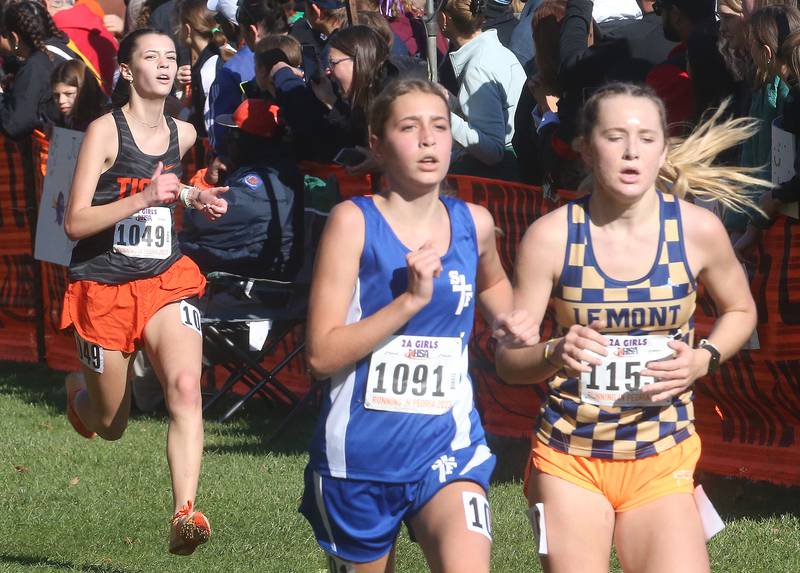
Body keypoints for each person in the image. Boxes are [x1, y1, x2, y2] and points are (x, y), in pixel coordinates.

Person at [495, 82, 767, 573]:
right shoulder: (551, 238)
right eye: (614, 136)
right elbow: (510, 365)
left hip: (662, 452)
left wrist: (704, 359)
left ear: (664, 148)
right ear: (584, 145)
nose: (630, 152)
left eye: (645, 138)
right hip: (570, 456)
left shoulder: (696, 230)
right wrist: (554, 351)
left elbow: (741, 312)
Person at [300, 77, 535, 572]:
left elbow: (492, 285)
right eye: (410, 127)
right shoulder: (353, 221)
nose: (429, 140)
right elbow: (320, 356)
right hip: (358, 458)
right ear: (377, 143)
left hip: (449, 446)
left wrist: (512, 321)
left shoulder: (476, 223)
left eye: (440, 127)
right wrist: (409, 302)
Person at [60, 28, 229, 556]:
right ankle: (78, 397)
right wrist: (145, 200)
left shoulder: (183, 133)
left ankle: (185, 513)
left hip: (163, 279)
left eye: (170, 57)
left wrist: (194, 196)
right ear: (127, 71)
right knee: (111, 424)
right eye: (150, 56)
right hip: (103, 286)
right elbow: (74, 221)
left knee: (184, 386)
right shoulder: (104, 133)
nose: (163, 64)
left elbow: (168, 187)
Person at [440, 0, 526, 180]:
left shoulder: (477, 69)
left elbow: (492, 151)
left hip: (502, 180)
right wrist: (451, 102)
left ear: (444, 19)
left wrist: (443, 116)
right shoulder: (494, 51)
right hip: (516, 167)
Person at [0, 0, 77, 139]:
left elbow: (15, 125)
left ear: (15, 38)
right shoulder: (62, 47)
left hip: (63, 150)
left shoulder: (35, 66)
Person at [50, 59, 107, 131]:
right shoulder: (65, 120)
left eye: (69, 94)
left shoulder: (100, 125)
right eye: (56, 95)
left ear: (84, 90)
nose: (61, 101)